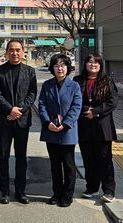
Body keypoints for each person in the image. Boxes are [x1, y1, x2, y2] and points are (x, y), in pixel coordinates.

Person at [0, 39, 38, 205]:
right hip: (4, 120)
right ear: (6, 52)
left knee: (21, 157)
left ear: (23, 51)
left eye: (18, 50)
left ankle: (20, 191)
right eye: (11, 50)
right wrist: (10, 109)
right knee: (3, 156)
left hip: (22, 121)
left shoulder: (30, 71)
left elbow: (32, 94)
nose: (15, 53)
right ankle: (4, 191)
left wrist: (19, 110)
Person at [38, 53, 82, 208]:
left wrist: (66, 124)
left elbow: (76, 107)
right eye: (56, 66)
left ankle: (67, 195)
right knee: (55, 165)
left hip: (67, 130)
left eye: (63, 65)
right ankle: (56, 193)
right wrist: (47, 122)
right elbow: (41, 104)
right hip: (50, 129)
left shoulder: (74, 86)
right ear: (52, 68)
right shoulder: (47, 85)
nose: (60, 68)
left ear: (68, 68)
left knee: (68, 165)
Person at [75, 54, 118, 203]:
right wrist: (86, 110)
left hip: (102, 126)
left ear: (100, 65)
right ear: (85, 64)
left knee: (105, 159)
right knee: (88, 158)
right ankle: (92, 187)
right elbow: (74, 100)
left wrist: (96, 111)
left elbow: (112, 102)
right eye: (90, 62)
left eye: (96, 62)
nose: (93, 65)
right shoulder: (78, 80)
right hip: (84, 125)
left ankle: (109, 190)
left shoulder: (107, 80)